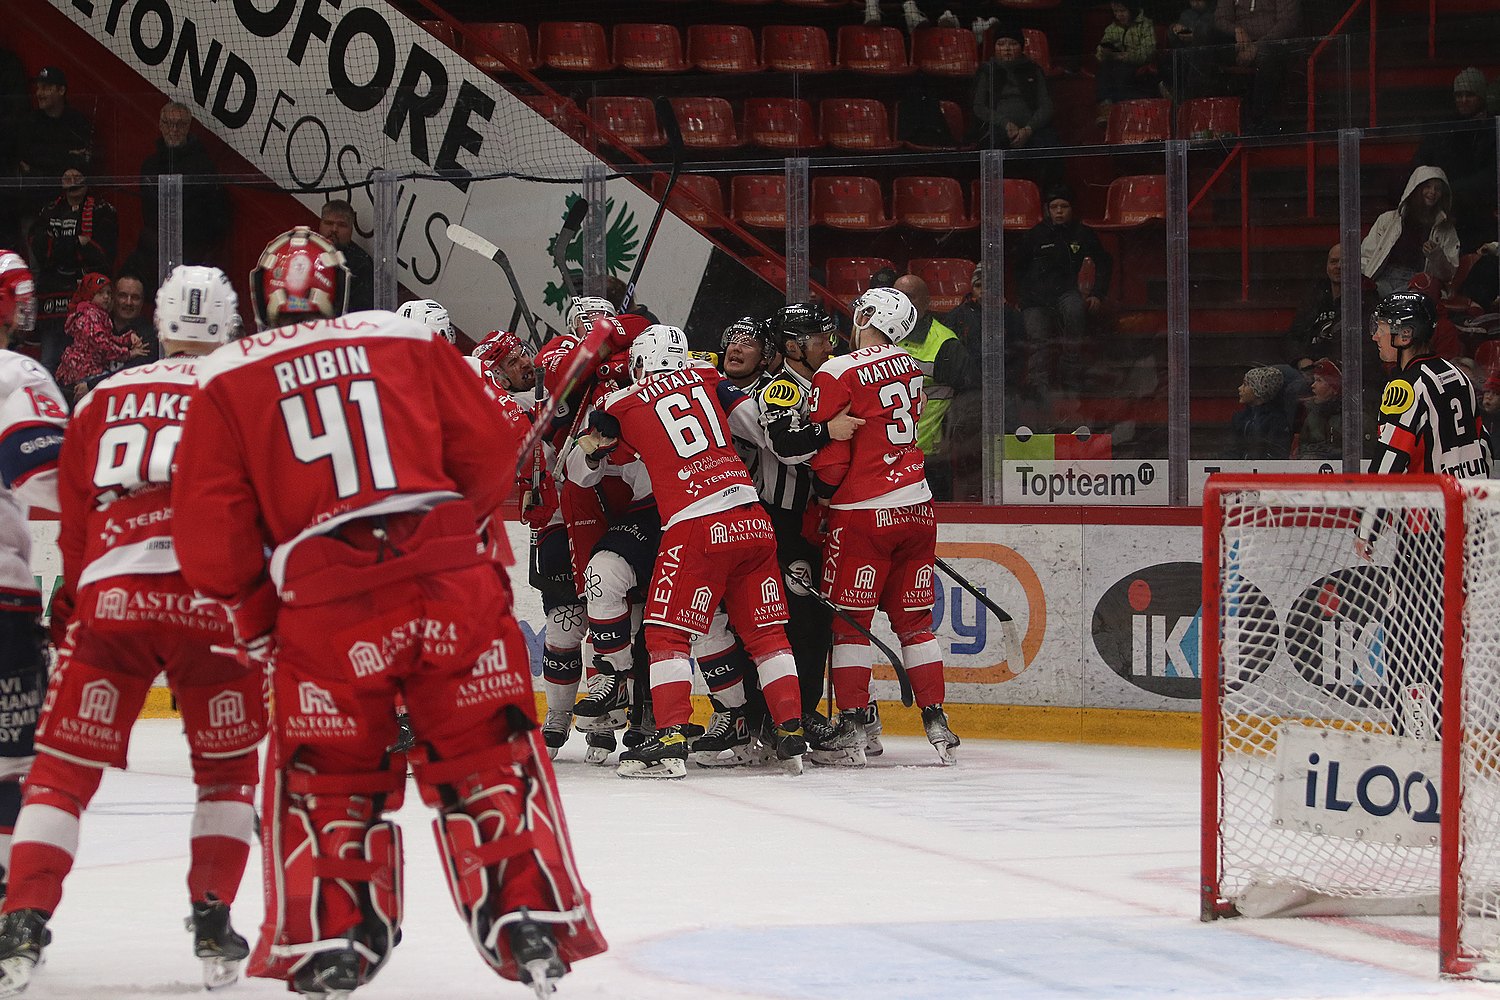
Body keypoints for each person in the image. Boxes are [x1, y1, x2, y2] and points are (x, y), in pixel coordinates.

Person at [169, 227, 605, 996]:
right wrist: (450, 541)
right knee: (490, 759)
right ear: (340, 287)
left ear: (259, 292)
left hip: (327, 602)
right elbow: (488, 449)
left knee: (326, 777)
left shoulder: (225, 375)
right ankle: (527, 920)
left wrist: (262, 613)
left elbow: (213, 542)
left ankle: (334, 939)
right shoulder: (399, 335)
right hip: (451, 584)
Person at [0, 265, 261, 996]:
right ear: (231, 327)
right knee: (228, 773)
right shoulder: (243, 392)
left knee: (60, 772)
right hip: (210, 606)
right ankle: (213, 915)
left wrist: (77, 601)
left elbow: (75, 521)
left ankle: (23, 917)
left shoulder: (104, 395)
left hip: (113, 597)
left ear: (159, 324)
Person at [572, 324, 810, 778]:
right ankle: (790, 731)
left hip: (697, 524)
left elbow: (586, 468)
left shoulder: (619, 402)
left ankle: (669, 743)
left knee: (665, 636)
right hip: (753, 517)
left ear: (640, 364)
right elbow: (760, 433)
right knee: (767, 636)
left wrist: (595, 437)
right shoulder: (710, 377)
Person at [808, 287, 961, 765]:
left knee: (850, 626)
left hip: (863, 513)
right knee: (915, 622)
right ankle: (937, 720)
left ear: (865, 316)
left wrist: (824, 494)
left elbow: (830, 457)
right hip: (917, 507)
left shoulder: (836, 370)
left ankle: (853, 727)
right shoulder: (912, 366)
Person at [1359, 292, 1490, 739]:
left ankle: (1418, 735)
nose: (1376, 334)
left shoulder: (1404, 386)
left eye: (1383, 326)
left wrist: (1368, 526)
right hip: (1469, 525)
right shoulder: (1460, 376)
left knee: (1409, 636)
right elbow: (1483, 448)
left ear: (1405, 334)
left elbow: (1390, 459)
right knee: (1448, 630)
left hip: (1425, 533)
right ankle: (1446, 728)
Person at [0, 253, 66, 912]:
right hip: (5, 599)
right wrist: (57, 602)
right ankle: (6, 907)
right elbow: (46, 494)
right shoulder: (20, 374)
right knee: (11, 765)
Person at [1014, 186, 1113, 411]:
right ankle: (1040, 390)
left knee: (1075, 311)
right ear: (1047, 210)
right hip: (1035, 298)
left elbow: (1104, 262)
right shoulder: (1034, 235)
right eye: (1054, 207)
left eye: (1064, 207)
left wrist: (1098, 293)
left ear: (1072, 209)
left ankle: (1071, 380)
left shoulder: (1082, 233)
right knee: (1038, 342)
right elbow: (1018, 269)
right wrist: (1021, 297)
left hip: (1065, 292)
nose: (1059, 212)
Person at [27, 164, 118, 372]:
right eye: (68, 176)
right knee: (49, 361)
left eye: (78, 176)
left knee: (85, 360)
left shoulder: (103, 210)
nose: (73, 181)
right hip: (52, 299)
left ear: (87, 180)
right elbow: (40, 249)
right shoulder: (48, 210)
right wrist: (78, 243)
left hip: (86, 300)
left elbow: (102, 255)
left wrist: (59, 245)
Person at [892, 273, 968, 501]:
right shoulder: (879, 336)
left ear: (926, 302)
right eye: (896, 297)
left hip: (929, 458)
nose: (902, 304)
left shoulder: (945, 344)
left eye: (909, 297)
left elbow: (969, 399)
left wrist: (949, 438)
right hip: (885, 456)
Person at [130, 101, 229, 274]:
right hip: (156, 250)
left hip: (193, 250)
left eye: (180, 124)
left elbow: (215, 215)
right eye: (169, 123)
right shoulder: (150, 166)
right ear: (160, 125)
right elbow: (148, 212)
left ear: (188, 127)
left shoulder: (203, 166)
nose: (174, 130)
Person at [1412, 68, 1496, 254]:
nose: (1463, 100)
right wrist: (1433, 186)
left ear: (1482, 96)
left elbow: (1492, 175)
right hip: (1444, 214)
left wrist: (1452, 190)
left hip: (1480, 216)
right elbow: (1420, 161)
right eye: (1459, 95)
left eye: (1469, 95)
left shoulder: (1494, 129)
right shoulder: (1445, 128)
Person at [1361, 165, 1459, 300]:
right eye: (1427, 186)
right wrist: (1365, 283)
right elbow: (1366, 255)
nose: (1432, 192)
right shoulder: (1388, 220)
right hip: (1383, 279)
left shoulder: (1445, 229)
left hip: (1417, 284)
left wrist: (1436, 254)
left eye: (1438, 189)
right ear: (1415, 188)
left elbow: (1449, 274)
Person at [55, 272, 148, 399]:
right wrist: (129, 354)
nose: (106, 297)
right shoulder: (90, 316)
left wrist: (128, 338)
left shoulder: (148, 332)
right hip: (83, 374)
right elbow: (103, 345)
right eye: (100, 293)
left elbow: (107, 340)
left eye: (108, 293)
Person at [1213, 0, 1301, 133]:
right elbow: (1221, 18)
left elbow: (1287, 23)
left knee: (1266, 53)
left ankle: (1259, 119)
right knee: (1206, 33)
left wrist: (1257, 47)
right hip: (1239, 43)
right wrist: (1236, 30)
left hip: (1273, 44)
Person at [16, 68, 93, 219]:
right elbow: (26, 159)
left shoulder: (77, 122)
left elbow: (81, 161)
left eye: (45, 88)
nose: (39, 93)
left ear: (61, 90)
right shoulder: (31, 121)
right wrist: (64, 155)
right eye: (38, 88)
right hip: (35, 197)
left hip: (67, 199)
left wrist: (46, 158)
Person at [972, 25, 1058, 150]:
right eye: (1001, 44)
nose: (1007, 49)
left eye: (1013, 44)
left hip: (1032, 129)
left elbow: (1046, 106)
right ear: (994, 48)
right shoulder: (987, 70)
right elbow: (979, 107)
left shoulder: (1033, 69)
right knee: (991, 143)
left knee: (1050, 144)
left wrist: (1029, 129)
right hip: (996, 127)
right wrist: (1005, 124)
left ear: (1022, 47)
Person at [1094, 3, 1158, 125]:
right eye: (1116, 12)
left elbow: (1148, 51)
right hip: (1115, 63)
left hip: (1137, 64)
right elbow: (1101, 50)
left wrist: (1126, 56)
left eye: (1122, 11)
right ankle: (1106, 106)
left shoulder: (1145, 25)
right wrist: (1104, 51)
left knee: (1121, 72)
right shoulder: (1112, 28)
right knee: (1104, 68)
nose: (1119, 15)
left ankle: (1121, 110)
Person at [1163, 0, 1228, 102]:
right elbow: (1174, 38)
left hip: (1207, 56)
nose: (1195, 3)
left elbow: (1210, 35)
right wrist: (1174, 29)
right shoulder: (1186, 15)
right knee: (1171, 57)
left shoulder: (1215, 15)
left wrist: (1195, 36)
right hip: (1184, 54)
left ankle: (1188, 98)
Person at [317, 199, 373, 313]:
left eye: (342, 225)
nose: (334, 229)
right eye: (328, 223)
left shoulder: (362, 263)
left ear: (351, 230)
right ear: (320, 224)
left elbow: (362, 310)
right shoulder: (304, 252)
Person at [1230, 365, 1292, 460]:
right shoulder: (1240, 418)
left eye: (1246, 385)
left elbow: (1277, 454)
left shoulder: (1276, 420)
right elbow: (1232, 450)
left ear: (1259, 390)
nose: (1240, 388)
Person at [1291, 357, 1341, 461]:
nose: (1313, 386)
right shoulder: (1311, 415)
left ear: (1334, 388)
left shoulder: (1351, 415)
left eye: (1319, 380)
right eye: (1314, 380)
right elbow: (1301, 448)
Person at [109, 272, 157, 363]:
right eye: (122, 296)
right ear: (113, 297)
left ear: (142, 302)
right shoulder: (97, 327)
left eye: (135, 297)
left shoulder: (150, 336)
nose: (128, 302)